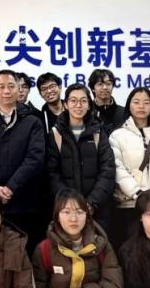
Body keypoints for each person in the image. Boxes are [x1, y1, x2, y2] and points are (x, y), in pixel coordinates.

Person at [0, 70, 47, 252]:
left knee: (27, 253)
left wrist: (11, 187)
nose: (6, 91)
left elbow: (35, 158)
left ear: (18, 89)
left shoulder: (33, 122)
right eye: (1, 86)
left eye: (11, 86)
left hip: (26, 202)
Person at [109, 87, 150, 247]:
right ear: (129, 105)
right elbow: (117, 168)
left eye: (146, 102)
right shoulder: (117, 136)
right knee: (132, 250)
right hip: (130, 206)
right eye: (137, 102)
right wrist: (138, 194)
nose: (141, 106)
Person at [46, 84, 116, 228]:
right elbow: (51, 173)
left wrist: (91, 203)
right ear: (65, 104)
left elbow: (107, 170)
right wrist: (69, 203)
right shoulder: (55, 134)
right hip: (65, 208)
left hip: (97, 209)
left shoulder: (98, 132)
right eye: (73, 100)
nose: (78, 105)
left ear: (89, 105)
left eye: (83, 101)